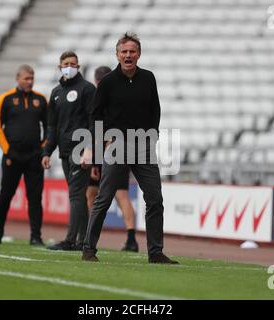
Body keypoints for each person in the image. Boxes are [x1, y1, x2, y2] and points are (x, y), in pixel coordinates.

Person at [81, 33, 179, 264]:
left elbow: (155, 109)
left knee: (155, 198)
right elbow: (95, 116)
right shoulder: (106, 83)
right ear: (117, 55)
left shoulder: (148, 78)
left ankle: (155, 252)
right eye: (124, 51)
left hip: (144, 144)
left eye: (132, 51)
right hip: (116, 145)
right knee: (103, 198)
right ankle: (88, 248)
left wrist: (152, 136)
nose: (128, 55)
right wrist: (101, 145)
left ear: (139, 54)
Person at [42, 51, 95, 251]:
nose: (69, 67)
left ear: (79, 67)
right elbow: (52, 127)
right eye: (66, 63)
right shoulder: (56, 93)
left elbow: (93, 121)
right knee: (78, 196)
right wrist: (47, 151)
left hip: (81, 150)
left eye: (73, 63)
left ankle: (71, 240)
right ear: (60, 67)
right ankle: (84, 240)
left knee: (75, 194)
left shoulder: (87, 89)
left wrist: (89, 149)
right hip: (64, 151)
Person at [0, 64, 48, 246]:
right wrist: (7, 150)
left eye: (32, 78)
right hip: (12, 156)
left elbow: (49, 127)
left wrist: (42, 148)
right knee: (6, 195)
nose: (30, 82)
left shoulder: (41, 99)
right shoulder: (5, 99)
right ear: (18, 79)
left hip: (33, 157)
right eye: (26, 78)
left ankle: (36, 236)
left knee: (35, 198)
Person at [86, 65, 139, 252]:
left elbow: (97, 130)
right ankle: (131, 238)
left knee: (94, 194)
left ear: (96, 81)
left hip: (108, 151)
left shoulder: (99, 98)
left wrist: (94, 159)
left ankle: (90, 236)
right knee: (121, 195)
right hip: (123, 146)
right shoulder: (122, 96)